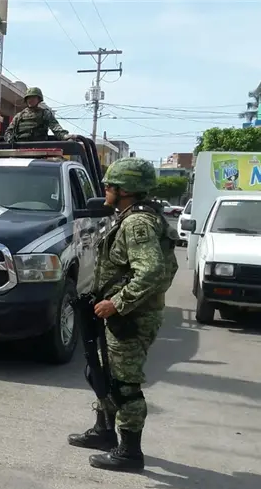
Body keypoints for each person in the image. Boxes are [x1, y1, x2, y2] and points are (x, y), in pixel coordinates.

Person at [67, 158, 179, 472]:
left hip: (131, 317)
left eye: (110, 185)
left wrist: (118, 303)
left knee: (124, 385)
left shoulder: (137, 223)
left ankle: (129, 452)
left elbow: (152, 270)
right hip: (121, 313)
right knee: (101, 373)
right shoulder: (130, 216)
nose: (105, 189)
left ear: (125, 189)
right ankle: (104, 431)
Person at [3, 87, 75, 143]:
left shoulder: (45, 114)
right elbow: (9, 131)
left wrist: (64, 136)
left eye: (33, 98)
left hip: (39, 147)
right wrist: (9, 138)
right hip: (21, 148)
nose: (30, 100)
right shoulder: (19, 116)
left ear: (38, 99)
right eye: (29, 98)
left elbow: (55, 127)